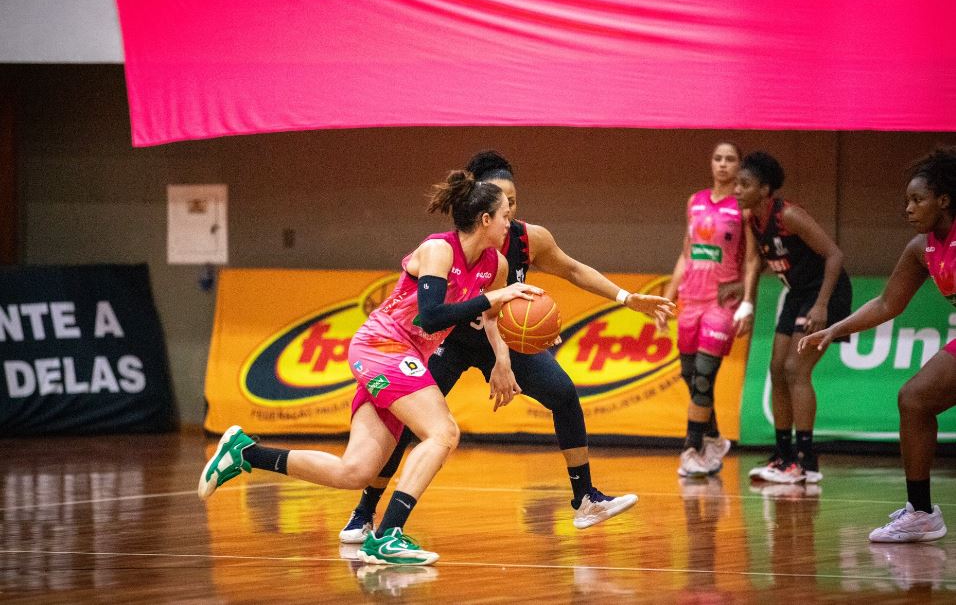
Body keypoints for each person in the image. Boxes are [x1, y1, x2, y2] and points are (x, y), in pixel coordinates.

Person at [198, 170, 542, 565]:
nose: (510, 224)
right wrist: (495, 297)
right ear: (485, 220)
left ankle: (246, 454)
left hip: (409, 354)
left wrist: (505, 354)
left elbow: (492, 314)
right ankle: (389, 534)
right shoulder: (439, 250)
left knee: (355, 472)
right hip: (383, 345)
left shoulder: (495, 264)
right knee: (443, 431)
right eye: (504, 216)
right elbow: (430, 317)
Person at [339, 150, 676, 543]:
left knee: (564, 393)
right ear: (479, 204)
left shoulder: (526, 238)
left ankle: (585, 498)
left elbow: (571, 269)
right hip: (448, 340)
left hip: (497, 336)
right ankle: (364, 512)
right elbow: (441, 311)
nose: (509, 211)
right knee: (408, 426)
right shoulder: (451, 247)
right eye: (501, 202)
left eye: (513, 201)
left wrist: (625, 298)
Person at [799, 146, 955, 542]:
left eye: (917, 200)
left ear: (944, 200)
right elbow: (888, 303)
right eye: (907, 200)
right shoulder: (921, 249)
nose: (908, 208)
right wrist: (835, 328)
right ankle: (921, 513)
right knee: (914, 399)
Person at [734, 151, 852, 484]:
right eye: (737, 184)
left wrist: (822, 305)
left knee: (795, 370)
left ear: (766, 189)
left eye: (745, 184)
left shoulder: (790, 216)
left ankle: (807, 460)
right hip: (797, 294)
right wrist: (743, 297)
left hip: (824, 293)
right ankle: (783, 455)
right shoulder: (751, 219)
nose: (737, 190)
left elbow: (834, 255)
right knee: (776, 369)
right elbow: (755, 262)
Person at [658, 141, 760, 478]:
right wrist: (668, 297)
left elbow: (752, 259)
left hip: (722, 302)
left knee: (703, 375)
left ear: (739, 166)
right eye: (718, 158)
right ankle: (715, 436)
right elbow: (686, 253)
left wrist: (747, 302)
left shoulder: (743, 208)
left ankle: (692, 448)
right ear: (711, 163)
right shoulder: (695, 202)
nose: (723, 165)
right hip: (691, 299)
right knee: (690, 374)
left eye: (731, 159)